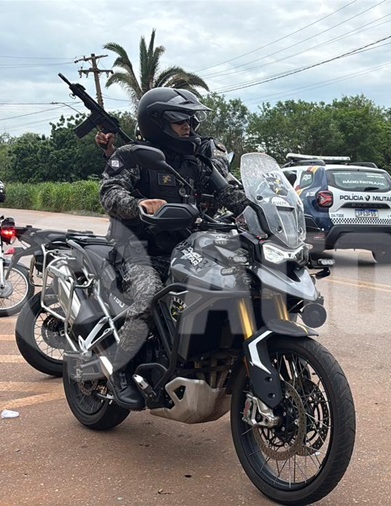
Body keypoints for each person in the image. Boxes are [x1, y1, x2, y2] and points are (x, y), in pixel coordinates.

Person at [97, 87, 248, 409]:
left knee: (242, 283)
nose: (189, 126)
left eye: (191, 120)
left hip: (189, 245)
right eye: (180, 120)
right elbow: (109, 193)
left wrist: (263, 213)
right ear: (156, 122)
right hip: (138, 248)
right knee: (151, 293)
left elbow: (233, 196)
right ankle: (120, 369)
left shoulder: (201, 160)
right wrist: (138, 205)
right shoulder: (133, 155)